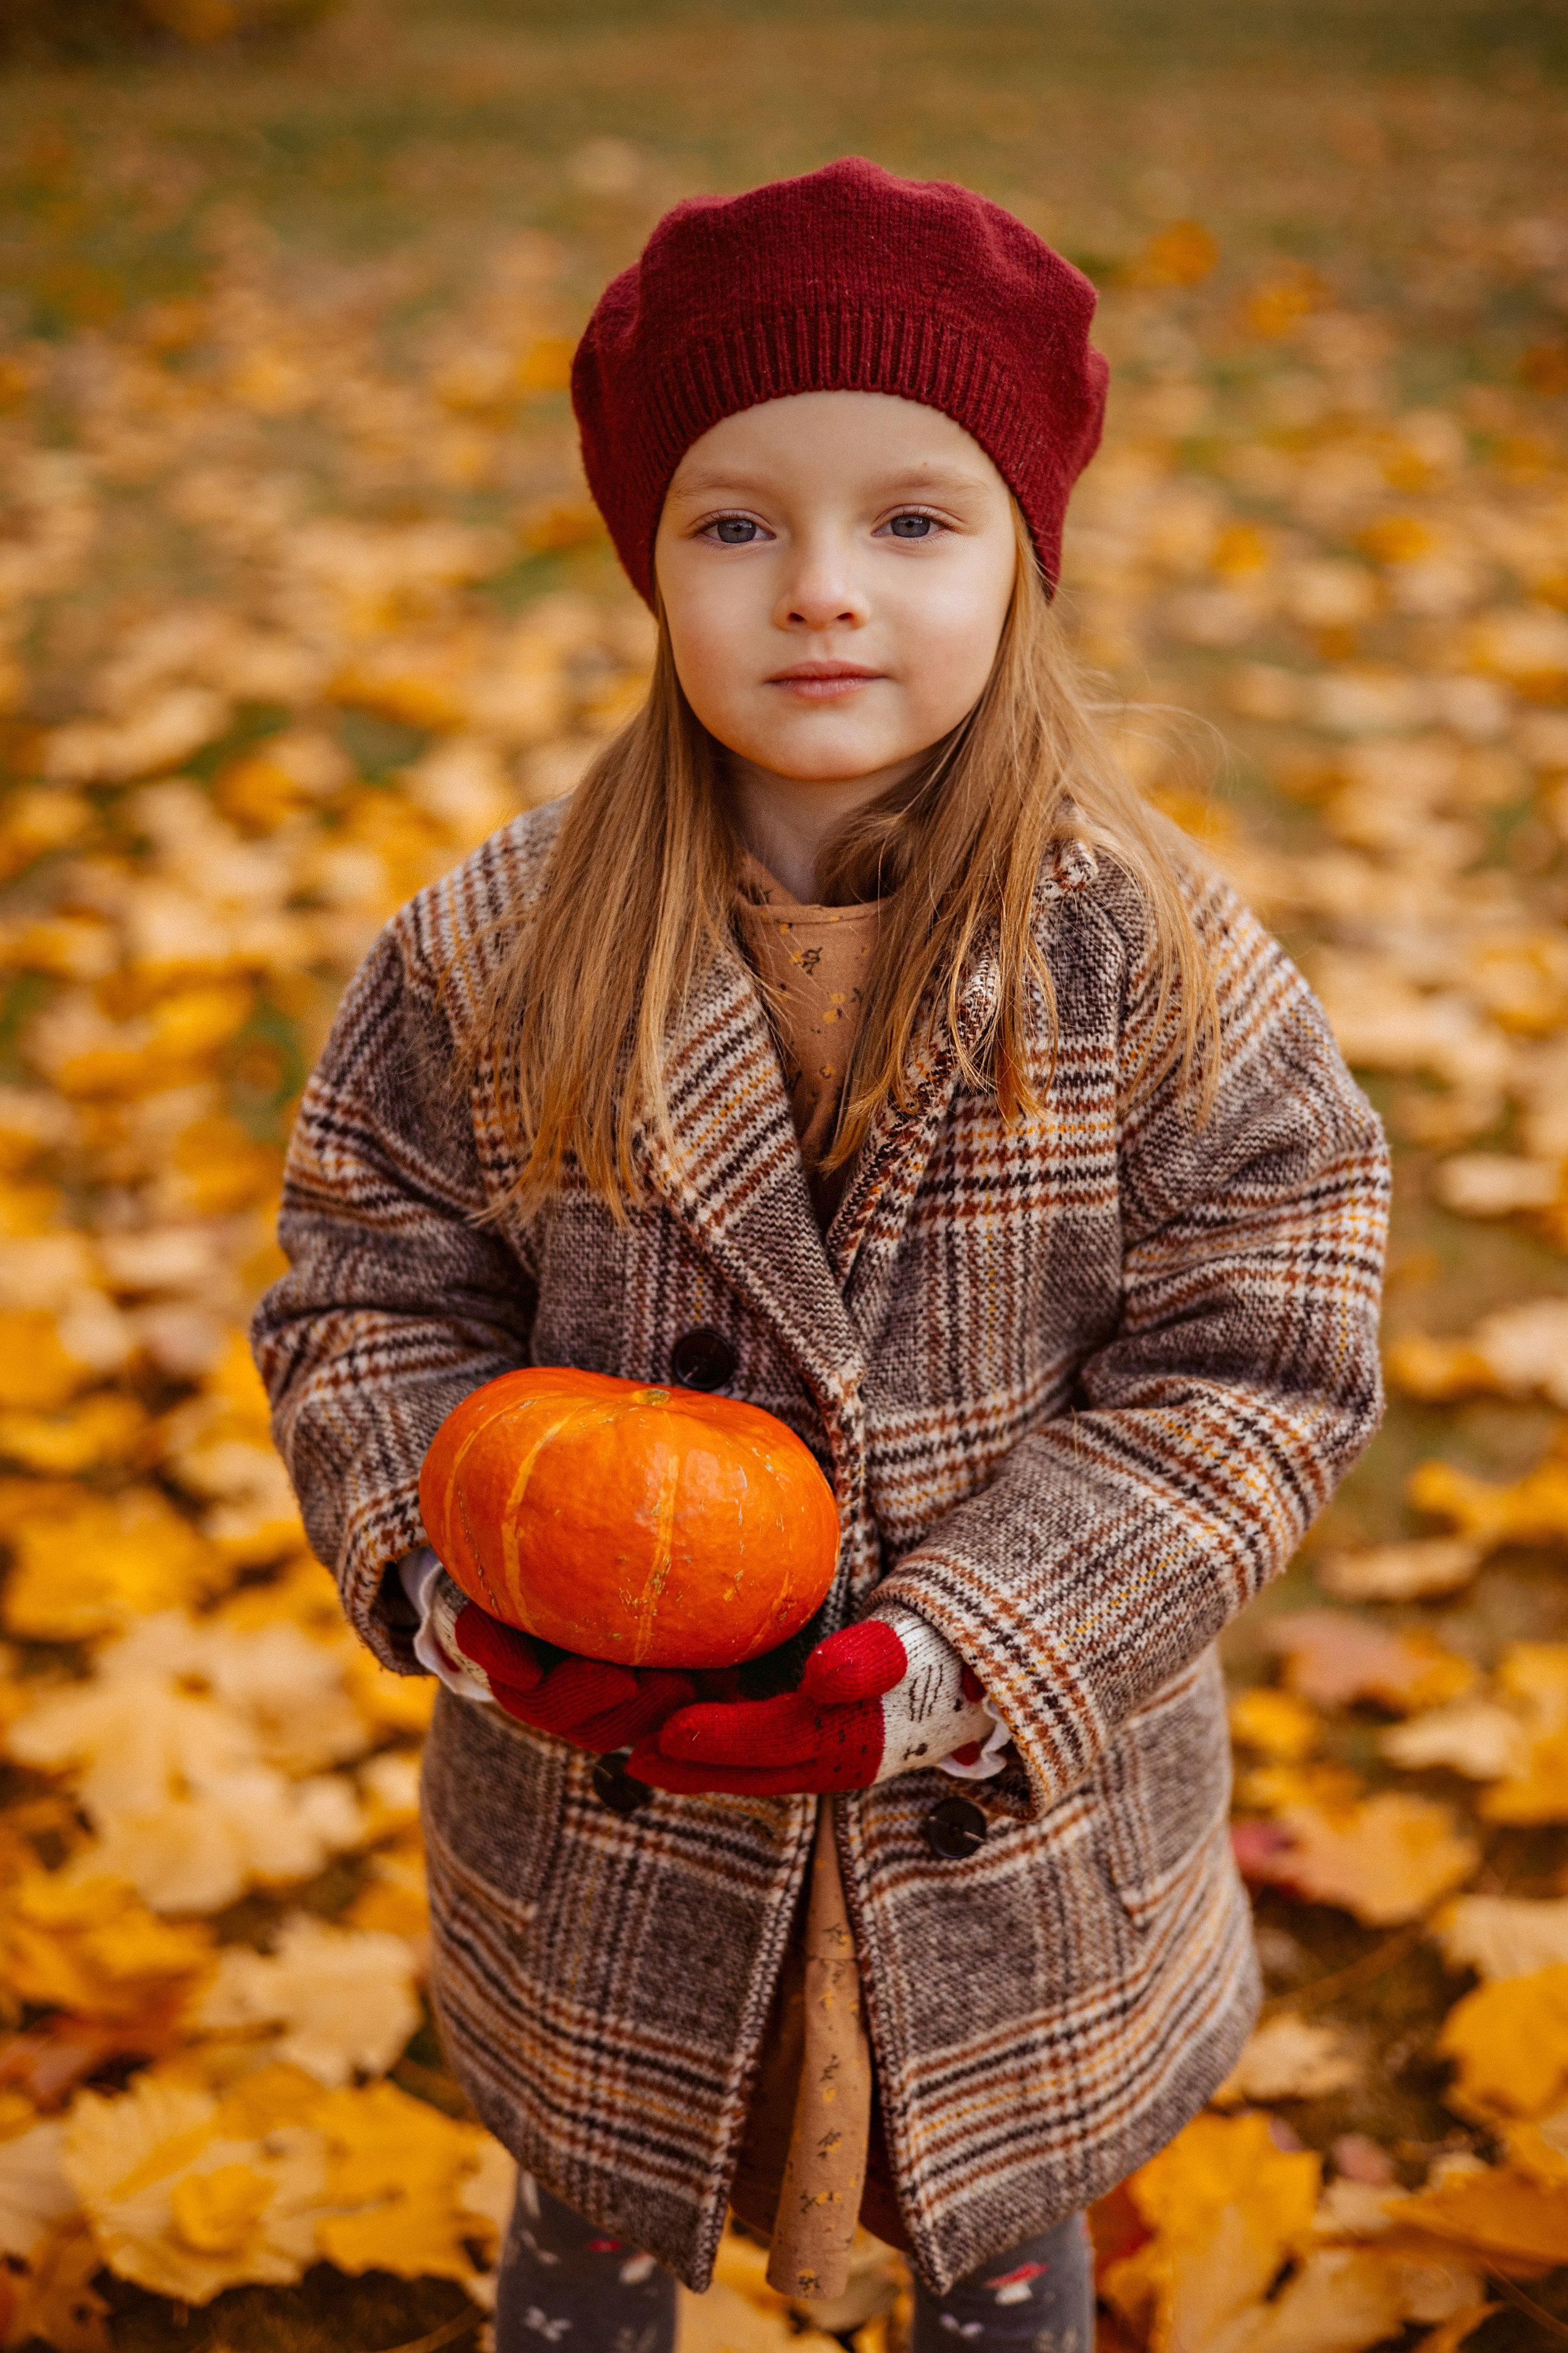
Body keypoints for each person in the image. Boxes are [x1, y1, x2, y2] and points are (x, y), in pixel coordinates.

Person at [253, 157, 1390, 2352]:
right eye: (738, 521)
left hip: (997, 1815)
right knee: (594, 2206)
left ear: (1024, 561)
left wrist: (967, 1645)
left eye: (912, 519)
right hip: (616, 1803)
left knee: (991, 2223)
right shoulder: (500, 948)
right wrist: (451, 1573)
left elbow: (1259, 1353)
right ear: (650, 562)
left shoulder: (1143, 954)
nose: (820, 593)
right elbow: (368, 1286)